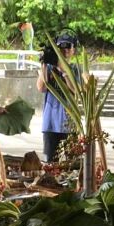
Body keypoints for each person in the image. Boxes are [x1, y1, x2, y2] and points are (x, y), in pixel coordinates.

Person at [37, 32, 80, 162]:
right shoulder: (50, 67)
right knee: (50, 163)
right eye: (61, 47)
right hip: (50, 124)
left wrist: (63, 71)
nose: (65, 50)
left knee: (70, 164)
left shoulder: (75, 68)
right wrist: (44, 64)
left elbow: (77, 91)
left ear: (74, 50)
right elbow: (42, 87)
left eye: (69, 47)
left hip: (69, 124)